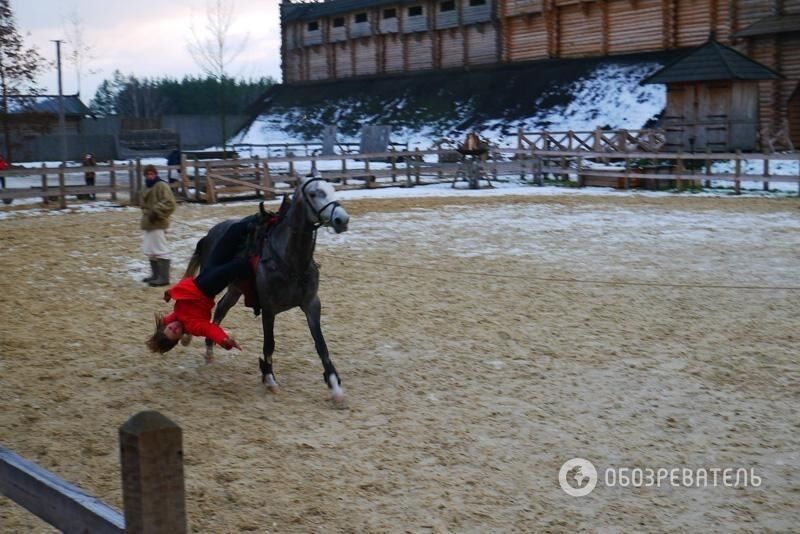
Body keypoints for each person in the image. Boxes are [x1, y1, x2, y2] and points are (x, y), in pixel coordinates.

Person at [146, 254, 252, 354]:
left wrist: (169, 294)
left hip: (201, 279)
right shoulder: (193, 326)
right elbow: (209, 330)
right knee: (240, 265)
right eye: (175, 332)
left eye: (170, 328)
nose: (173, 328)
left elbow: (166, 320)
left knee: (225, 245)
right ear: (179, 337)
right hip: (208, 286)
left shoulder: (177, 316)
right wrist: (224, 340)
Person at [140, 164, 176, 287]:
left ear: (155, 174)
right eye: (148, 174)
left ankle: (164, 277)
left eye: (152, 174)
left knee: (160, 249)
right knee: (150, 249)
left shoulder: (162, 185)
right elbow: (143, 204)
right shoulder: (145, 187)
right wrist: (147, 213)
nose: (150, 176)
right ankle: (155, 275)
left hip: (158, 221)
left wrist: (156, 211)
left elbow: (170, 203)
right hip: (148, 222)